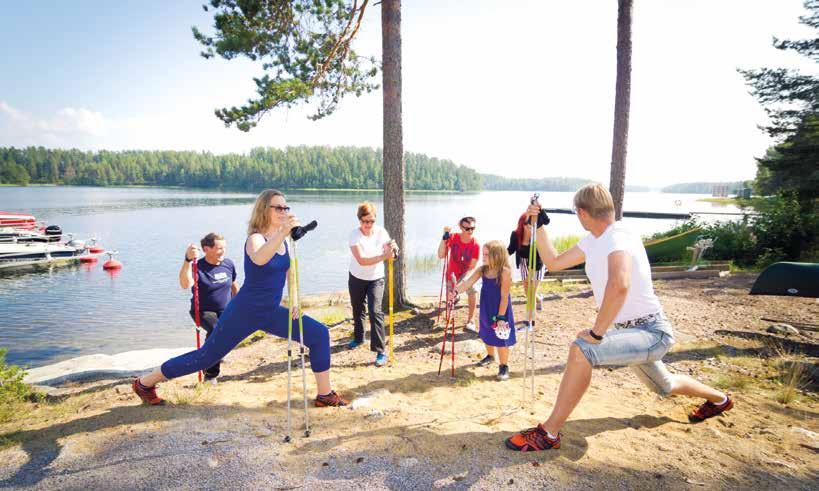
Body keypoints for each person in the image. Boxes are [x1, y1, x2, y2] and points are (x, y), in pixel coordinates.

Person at [505, 184, 733, 452]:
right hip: (634, 334)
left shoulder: (619, 235)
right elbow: (554, 262)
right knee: (665, 386)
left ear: (582, 213)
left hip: (651, 333)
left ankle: (549, 433)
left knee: (582, 350)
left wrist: (597, 333)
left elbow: (620, 284)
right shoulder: (595, 239)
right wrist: (539, 224)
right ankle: (721, 400)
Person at [132, 189, 348, 408]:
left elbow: (289, 271)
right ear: (265, 210)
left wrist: (293, 300)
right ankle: (145, 383)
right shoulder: (256, 238)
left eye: (286, 207)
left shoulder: (285, 241)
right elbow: (260, 258)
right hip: (244, 311)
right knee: (207, 357)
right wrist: (282, 232)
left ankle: (325, 394)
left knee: (319, 333)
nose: (284, 211)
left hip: (270, 312)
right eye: (279, 207)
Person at [179, 232, 239, 383]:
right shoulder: (197, 267)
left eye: (224, 248)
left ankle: (210, 356)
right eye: (219, 248)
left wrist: (238, 303)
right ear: (206, 249)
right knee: (216, 331)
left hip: (226, 309)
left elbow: (233, 285)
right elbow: (185, 284)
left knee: (223, 336)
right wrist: (187, 260)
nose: (223, 252)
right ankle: (211, 375)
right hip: (203, 310)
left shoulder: (228, 264)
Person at [451, 240, 516, 380]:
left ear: (497, 255)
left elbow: (505, 296)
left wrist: (500, 317)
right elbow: (468, 282)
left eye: (486, 254)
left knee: (501, 337)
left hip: (500, 308)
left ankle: (504, 366)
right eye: (483, 254)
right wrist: (456, 291)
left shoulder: (504, 272)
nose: (483, 257)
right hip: (486, 306)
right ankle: (490, 356)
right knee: (486, 331)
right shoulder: (482, 269)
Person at [347, 201, 397, 367]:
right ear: (359, 220)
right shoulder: (354, 235)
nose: (368, 225)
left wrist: (393, 250)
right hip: (357, 276)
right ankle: (359, 337)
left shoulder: (381, 232)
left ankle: (380, 351)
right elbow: (361, 260)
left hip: (376, 278)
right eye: (365, 221)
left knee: (375, 311)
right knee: (357, 308)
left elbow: (390, 248)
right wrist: (384, 256)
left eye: (371, 221)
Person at [437, 217, 479, 332]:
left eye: (473, 228)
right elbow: (441, 255)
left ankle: (471, 320)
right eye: (467, 228)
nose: (470, 231)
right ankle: (454, 300)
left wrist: (461, 283)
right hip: (452, 274)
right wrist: (444, 236)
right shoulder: (453, 237)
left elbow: (472, 267)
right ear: (461, 227)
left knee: (473, 290)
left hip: (466, 274)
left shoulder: (475, 244)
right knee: (450, 299)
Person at [507, 212, 545, 321]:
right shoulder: (516, 234)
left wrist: (532, 238)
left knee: (531, 291)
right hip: (524, 263)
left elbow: (541, 253)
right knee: (527, 291)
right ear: (522, 223)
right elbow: (510, 249)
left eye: (532, 223)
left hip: (537, 263)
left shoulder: (538, 235)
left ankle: (530, 318)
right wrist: (499, 255)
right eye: (527, 223)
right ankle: (538, 299)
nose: (529, 226)